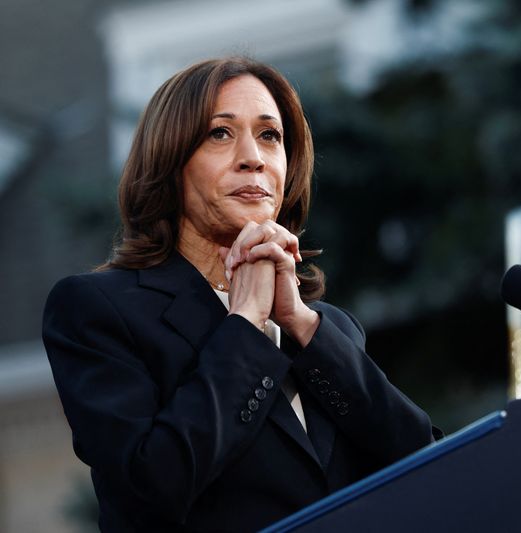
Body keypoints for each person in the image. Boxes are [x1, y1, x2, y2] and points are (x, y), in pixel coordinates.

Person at [42, 57, 440, 532]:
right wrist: (246, 323)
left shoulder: (330, 330)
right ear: (171, 162)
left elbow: (434, 467)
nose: (253, 156)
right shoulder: (97, 309)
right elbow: (151, 487)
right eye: (220, 134)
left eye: (270, 136)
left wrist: (303, 326)